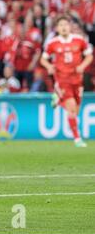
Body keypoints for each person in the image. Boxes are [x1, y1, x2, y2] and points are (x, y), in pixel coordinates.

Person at [40, 16, 93, 148]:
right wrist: (49, 67)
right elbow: (43, 59)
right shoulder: (52, 43)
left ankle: (58, 100)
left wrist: (82, 66)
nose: (63, 27)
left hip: (77, 80)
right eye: (61, 25)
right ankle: (77, 139)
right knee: (72, 109)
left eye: (65, 25)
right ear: (57, 28)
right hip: (63, 80)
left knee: (76, 110)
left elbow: (89, 55)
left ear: (70, 27)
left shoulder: (79, 40)